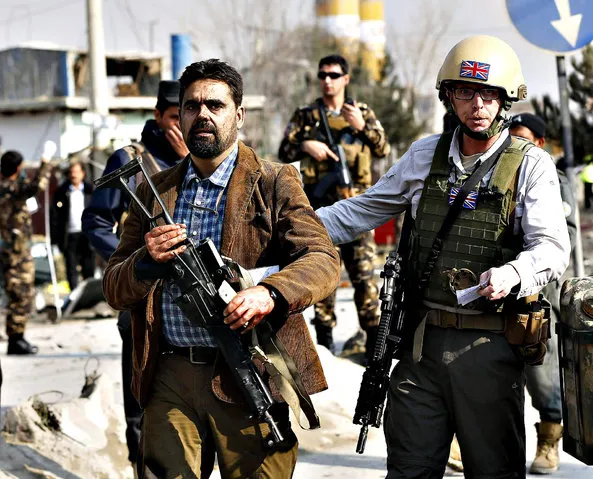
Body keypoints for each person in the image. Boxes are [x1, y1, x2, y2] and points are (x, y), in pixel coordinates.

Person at [317, 35, 571, 478]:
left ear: (506, 99)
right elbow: (363, 209)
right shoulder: (424, 155)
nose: (478, 104)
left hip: (490, 346)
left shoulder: (531, 165)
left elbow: (552, 246)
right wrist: (294, 225)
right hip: (420, 348)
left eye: (489, 94)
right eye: (466, 92)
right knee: (409, 470)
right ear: (448, 96)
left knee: (494, 471)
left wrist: (514, 272)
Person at [102, 59, 341, 478]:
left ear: (239, 114)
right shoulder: (153, 190)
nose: (203, 115)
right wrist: (145, 262)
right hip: (170, 375)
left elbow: (322, 259)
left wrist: (268, 292)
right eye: (192, 106)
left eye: (215, 105)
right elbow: (113, 287)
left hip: (249, 367)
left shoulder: (273, 181)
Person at [81, 80, 187, 469]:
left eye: (190, 114)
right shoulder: (130, 159)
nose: (185, 124)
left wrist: (188, 159)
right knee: (142, 402)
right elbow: (95, 220)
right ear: (158, 116)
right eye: (176, 116)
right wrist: (131, 265)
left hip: (195, 303)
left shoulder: (204, 157)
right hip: (143, 298)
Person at [279, 54, 390, 358]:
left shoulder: (361, 111)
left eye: (333, 75)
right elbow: (283, 149)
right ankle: (325, 345)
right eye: (322, 75)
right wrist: (305, 145)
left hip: (359, 210)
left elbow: (384, 148)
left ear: (346, 78)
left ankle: (374, 347)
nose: (327, 80)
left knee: (365, 281)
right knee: (323, 279)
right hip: (320, 214)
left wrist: (362, 127)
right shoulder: (306, 116)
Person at [511, 113, 576, 474]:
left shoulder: (554, 178)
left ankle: (549, 441)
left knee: (542, 372)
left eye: (523, 139)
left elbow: (567, 235)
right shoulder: (499, 172)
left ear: (538, 143)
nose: (516, 146)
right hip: (499, 290)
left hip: (539, 293)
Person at [0, 143, 55, 355]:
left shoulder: (7, 187)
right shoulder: (12, 189)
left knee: (19, 294)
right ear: (16, 168)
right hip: (15, 253)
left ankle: (17, 336)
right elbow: (37, 186)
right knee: (20, 295)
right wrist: (44, 162)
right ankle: (16, 339)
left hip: (12, 249)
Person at [51, 161, 95, 291]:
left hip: (87, 235)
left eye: (76, 172)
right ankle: (74, 297)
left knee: (88, 266)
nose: (74, 175)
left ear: (83, 173)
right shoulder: (61, 192)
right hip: (69, 235)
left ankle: (88, 296)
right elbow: (55, 217)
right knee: (71, 267)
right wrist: (55, 240)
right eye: (71, 172)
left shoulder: (90, 191)